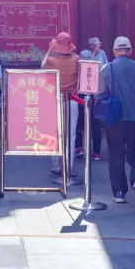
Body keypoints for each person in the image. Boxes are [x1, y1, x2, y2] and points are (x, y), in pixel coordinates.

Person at [98, 36, 135, 203]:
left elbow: (100, 93)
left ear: (114, 51)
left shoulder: (107, 68)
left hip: (116, 119)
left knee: (116, 154)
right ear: (130, 50)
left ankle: (119, 192)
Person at [41, 32, 80, 182]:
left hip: (55, 100)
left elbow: (42, 65)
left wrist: (50, 49)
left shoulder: (51, 61)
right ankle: (69, 167)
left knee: (54, 133)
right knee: (70, 135)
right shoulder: (76, 59)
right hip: (73, 100)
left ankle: (56, 165)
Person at [84, 39, 108, 159]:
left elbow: (105, 67)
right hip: (87, 91)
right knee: (86, 123)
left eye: (99, 44)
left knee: (96, 123)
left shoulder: (102, 53)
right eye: (97, 44)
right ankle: (81, 148)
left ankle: (96, 151)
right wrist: (93, 55)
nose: (99, 46)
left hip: (99, 90)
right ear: (91, 45)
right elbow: (87, 68)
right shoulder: (85, 53)